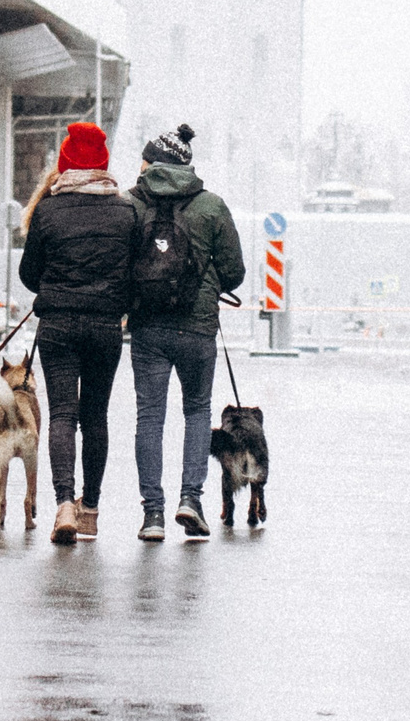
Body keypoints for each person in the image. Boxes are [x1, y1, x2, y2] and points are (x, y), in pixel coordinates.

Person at [16, 119, 140, 546]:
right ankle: (90, 509)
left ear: (65, 163)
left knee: (63, 415)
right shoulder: (126, 211)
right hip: (106, 326)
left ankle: (64, 502)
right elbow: (133, 272)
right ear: (103, 164)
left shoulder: (48, 209)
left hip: (59, 326)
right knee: (96, 417)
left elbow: (29, 274)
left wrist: (56, 285)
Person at [126, 123, 246, 541]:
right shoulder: (211, 206)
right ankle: (190, 500)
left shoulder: (131, 203)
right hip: (197, 329)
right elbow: (235, 272)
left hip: (147, 328)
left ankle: (153, 515)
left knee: (150, 417)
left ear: (154, 163)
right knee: (197, 412)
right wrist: (207, 276)